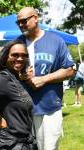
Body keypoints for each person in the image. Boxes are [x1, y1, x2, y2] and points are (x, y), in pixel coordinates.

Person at [16, 7, 75, 150]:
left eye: (24, 21)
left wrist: (44, 79)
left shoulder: (56, 41)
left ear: (36, 18)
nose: (21, 25)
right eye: (18, 23)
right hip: (22, 110)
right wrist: (20, 75)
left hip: (49, 108)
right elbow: (5, 70)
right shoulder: (16, 43)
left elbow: (69, 70)